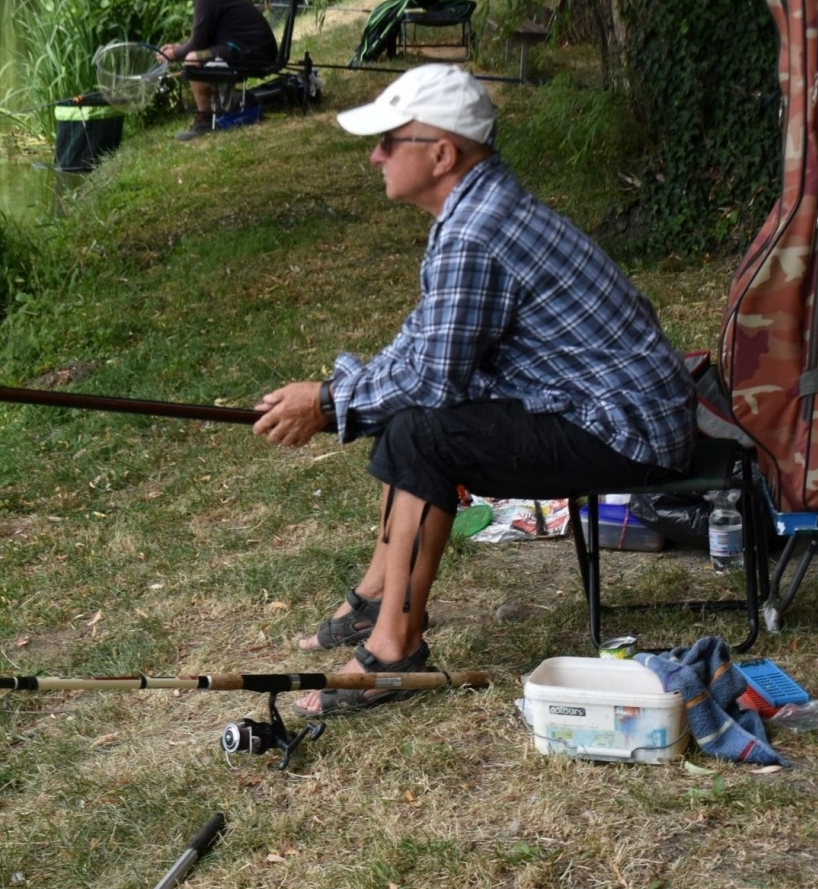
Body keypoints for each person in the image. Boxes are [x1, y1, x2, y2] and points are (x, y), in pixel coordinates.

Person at [251, 65, 696, 715]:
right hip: (614, 408)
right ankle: (378, 598)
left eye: (388, 141)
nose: (374, 155)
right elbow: (424, 344)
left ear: (441, 152)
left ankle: (392, 653)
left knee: (422, 431)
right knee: (412, 418)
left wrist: (325, 403)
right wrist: (339, 389)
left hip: (625, 428)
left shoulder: (474, 231)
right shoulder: (476, 211)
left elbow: (430, 380)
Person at [159, 0, 278, 142]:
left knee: (192, 59)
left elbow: (197, 45)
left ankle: (205, 120)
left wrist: (173, 54)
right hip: (257, 52)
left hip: (252, 55)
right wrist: (178, 47)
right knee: (193, 55)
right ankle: (218, 111)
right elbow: (203, 39)